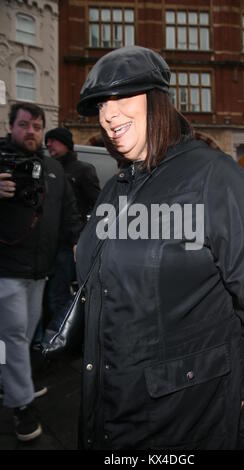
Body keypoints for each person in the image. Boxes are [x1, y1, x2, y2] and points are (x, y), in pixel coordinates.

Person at [75, 46, 244, 450]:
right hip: (109, 405)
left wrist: (232, 391)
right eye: (101, 104)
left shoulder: (215, 177)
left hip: (185, 420)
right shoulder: (113, 189)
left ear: (157, 99)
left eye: (120, 97)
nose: (107, 114)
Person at [0, 103, 83, 442]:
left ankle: (10, 381)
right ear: (11, 127)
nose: (30, 131)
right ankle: (20, 405)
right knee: (16, 335)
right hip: (5, 268)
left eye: (36, 125)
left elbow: (68, 211)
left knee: (19, 332)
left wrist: (80, 243)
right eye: (23, 125)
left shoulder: (52, 168)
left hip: (40, 270)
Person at [33, 127, 100, 343]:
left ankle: (61, 342)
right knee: (41, 298)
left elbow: (98, 207)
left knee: (57, 298)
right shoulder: (45, 169)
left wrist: (81, 237)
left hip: (67, 245)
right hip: (45, 245)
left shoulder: (83, 170)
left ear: (66, 144)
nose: (49, 145)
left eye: (53, 141)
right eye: (47, 141)